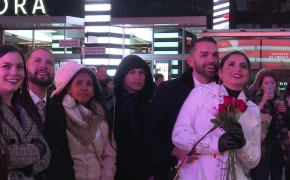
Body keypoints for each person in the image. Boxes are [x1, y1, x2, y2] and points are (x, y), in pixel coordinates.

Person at [171, 51, 261, 179]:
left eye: (243, 66)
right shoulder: (201, 93)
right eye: (231, 64)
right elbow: (179, 134)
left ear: (248, 75)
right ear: (220, 72)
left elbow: (254, 161)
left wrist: (242, 144)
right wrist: (216, 144)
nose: (237, 69)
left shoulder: (252, 110)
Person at [146, 37, 219, 179]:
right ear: (190, 61)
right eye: (204, 55)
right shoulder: (168, 90)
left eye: (215, 55)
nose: (211, 60)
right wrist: (172, 150)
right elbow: (151, 131)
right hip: (176, 170)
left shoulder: (224, 90)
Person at [51, 62, 116, 180]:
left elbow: (109, 155)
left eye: (89, 84)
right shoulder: (57, 115)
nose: (84, 88)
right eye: (79, 83)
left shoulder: (101, 115)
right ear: (68, 88)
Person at [0, 44, 50, 179]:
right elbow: (1, 156)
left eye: (19, 67)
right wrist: (38, 149)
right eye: (6, 66)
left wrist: (20, 165)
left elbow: (47, 155)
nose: (14, 72)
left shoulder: (25, 108)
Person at [25, 48, 75, 180]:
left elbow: (63, 152)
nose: (44, 66)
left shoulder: (58, 109)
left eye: (49, 63)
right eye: (37, 61)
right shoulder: (14, 105)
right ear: (25, 67)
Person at [112, 55, 154, 179]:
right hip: (116, 172)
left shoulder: (154, 104)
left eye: (141, 72)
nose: (138, 77)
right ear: (122, 75)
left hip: (148, 173)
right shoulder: (111, 105)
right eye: (132, 72)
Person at [249, 71, 290, 180]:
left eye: (272, 83)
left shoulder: (281, 100)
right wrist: (264, 101)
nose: (270, 85)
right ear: (261, 85)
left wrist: (286, 112)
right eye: (266, 83)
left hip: (279, 144)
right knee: (261, 176)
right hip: (261, 145)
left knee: (277, 175)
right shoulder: (254, 100)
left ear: (276, 85)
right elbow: (250, 121)